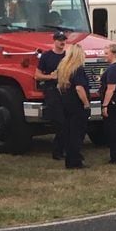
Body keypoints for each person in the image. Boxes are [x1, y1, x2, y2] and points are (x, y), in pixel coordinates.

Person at [57, 44, 91, 169]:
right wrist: (86, 103)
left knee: (69, 132)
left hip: (66, 104)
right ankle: (75, 160)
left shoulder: (64, 69)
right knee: (77, 134)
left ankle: (69, 159)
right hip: (77, 105)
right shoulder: (78, 69)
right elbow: (79, 88)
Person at [36, 30, 68, 159]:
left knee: (67, 122)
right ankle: (57, 151)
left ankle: (63, 150)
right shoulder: (46, 56)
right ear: (54, 41)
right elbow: (37, 75)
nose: (62, 42)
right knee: (59, 122)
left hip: (66, 91)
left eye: (64, 39)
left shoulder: (67, 56)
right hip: (52, 91)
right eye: (59, 39)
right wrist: (50, 76)